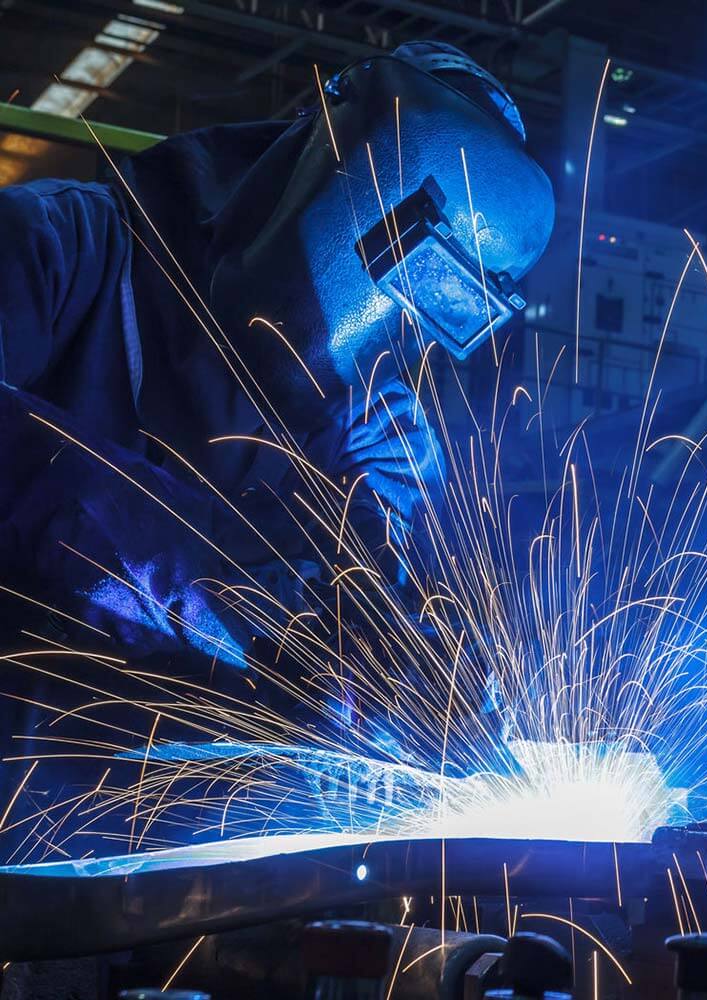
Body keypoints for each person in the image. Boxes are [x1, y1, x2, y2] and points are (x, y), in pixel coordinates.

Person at [0, 42, 553, 855]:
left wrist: (412, 661)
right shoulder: (58, 249)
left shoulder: (366, 433)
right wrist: (255, 601)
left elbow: (362, 605)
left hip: (135, 890)